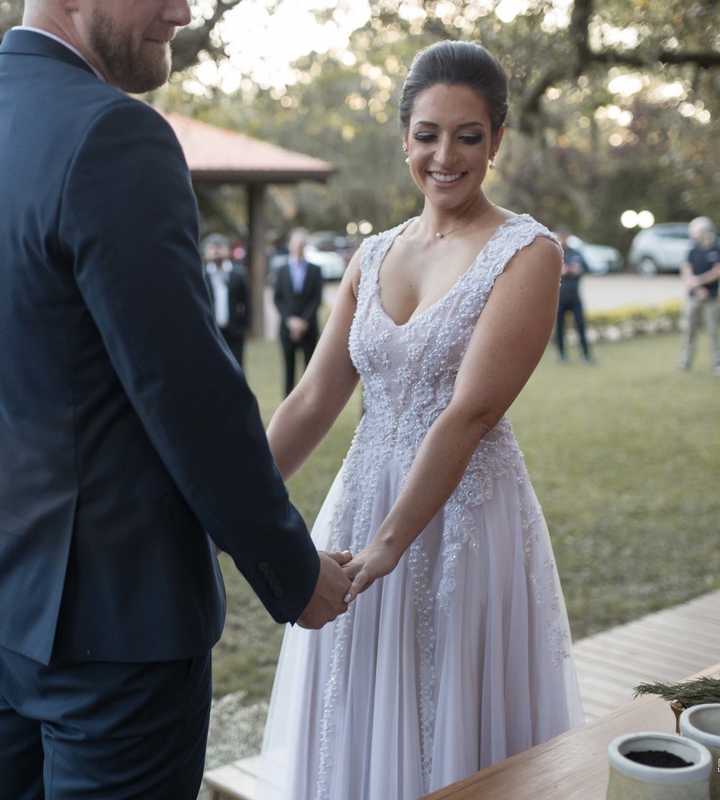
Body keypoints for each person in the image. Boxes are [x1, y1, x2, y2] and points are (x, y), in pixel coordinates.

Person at [0, 2, 354, 797]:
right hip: (114, 628)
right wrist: (291, 568)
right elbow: (191, 396)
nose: (183, 10)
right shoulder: (113, 135)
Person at [257, 41, 584, 800]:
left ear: (497, 140)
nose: (445, 156)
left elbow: (470, 413)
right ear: (404, 138)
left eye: (468, 136)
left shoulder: (527, 252)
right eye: (427, 134)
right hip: (361, 498)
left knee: (450, 711)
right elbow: (313, 398)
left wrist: (386, 546)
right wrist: (231, 504)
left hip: (464, 520)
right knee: (354, 709)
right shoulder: (372, 256)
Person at [273, 227, 324, 395]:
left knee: (310, 371)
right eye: (297, 242)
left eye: (303, 243)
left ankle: (309, 404)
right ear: (289, 245)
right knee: (289, 370)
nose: (300, 246)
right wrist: (291, 321)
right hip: (287, 328)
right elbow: (278, 298)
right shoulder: (281, 270)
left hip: (309, 328)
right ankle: (287, 405)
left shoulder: (315, 270)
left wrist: (303, 323)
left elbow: (316, 298)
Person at [678, 216, 720, 376]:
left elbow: (718, 271)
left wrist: (699, 281)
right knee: (689, 331)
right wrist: (698, 287)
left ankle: (717, 363)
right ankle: (685, 362)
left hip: (711, 297)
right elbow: (686, 270)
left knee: (713, 331)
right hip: (694, 296)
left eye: (695, 230)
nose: (693, 233)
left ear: (704, 230)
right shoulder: (692, 249)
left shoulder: (717, 248)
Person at [202, 233, 251, 367]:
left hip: (234, 331)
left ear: (228, 250)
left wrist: (244, 326)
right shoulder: (201, 276)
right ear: (205, 253)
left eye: (220, 247)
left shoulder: (238, 274)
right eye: (212, 248)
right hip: (210, 332)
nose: (216, 251)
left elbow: (247, 303)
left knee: (236, 365)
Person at [555, 227, 593, 364]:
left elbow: (587, 268)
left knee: (581, 326)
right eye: (561, 236)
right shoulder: (556, 254)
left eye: (565, 236)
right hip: (560, 298)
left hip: (575, 296)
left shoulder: (575, 253)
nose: (563, 239)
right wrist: (561, 272)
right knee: (560, 328)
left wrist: (577, 270)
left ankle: (586, 355)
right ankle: (562, 356)